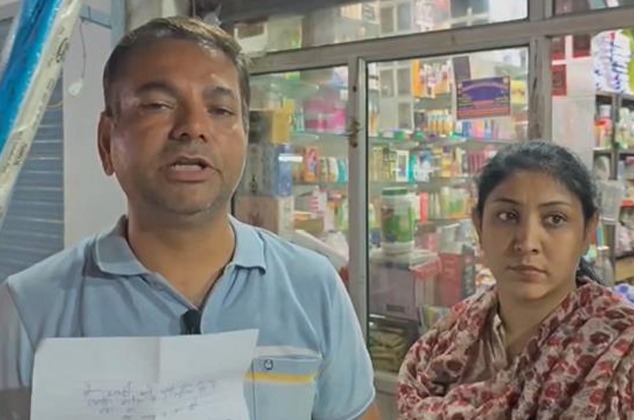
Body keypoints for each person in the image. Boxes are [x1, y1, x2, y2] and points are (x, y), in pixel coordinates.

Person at [0, 16, 379, 420]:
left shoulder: (313, 288)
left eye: (220, 109)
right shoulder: (30, 308)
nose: (193, 127)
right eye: (157, 105)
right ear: (107, 142)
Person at [397, 141, 634, 419]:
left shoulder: (626, 352)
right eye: (507, 216)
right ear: (479, 226)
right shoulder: (444, 344)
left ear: (588, 232)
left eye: (555, 219)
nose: (527, 242)